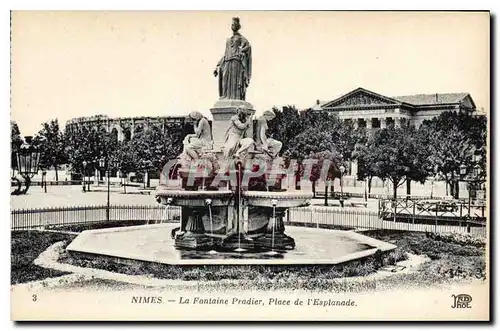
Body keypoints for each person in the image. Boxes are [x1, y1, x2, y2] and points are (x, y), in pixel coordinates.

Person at [213, 17, 252, 100]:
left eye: (234, 24)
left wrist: (241, 50)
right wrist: (217, 65)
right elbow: (225, 53)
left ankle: (235, 98)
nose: (232, 26)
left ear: (238, 26)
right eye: (232, 24)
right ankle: (225, 96)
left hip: (236, 62)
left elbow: (248, 47)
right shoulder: (228, 39)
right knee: (225, 80)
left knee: (234, 82)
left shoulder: (241, 38)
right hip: (227, 61)